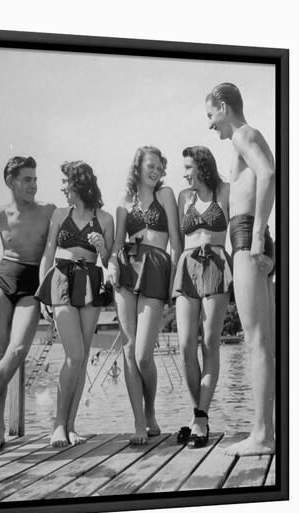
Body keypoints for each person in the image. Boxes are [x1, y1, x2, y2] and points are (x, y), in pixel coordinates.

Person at [206, 82, 275, 456]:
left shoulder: (243, 135)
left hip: (249, 234)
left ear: (223, 106)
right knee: (263, 342)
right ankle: (266, 431)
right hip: (248, 233)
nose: (210, 124)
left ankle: (262, 435)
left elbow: (268, 174)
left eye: (211, 115)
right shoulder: (248, 137)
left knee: (256, 342)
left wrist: (259, 236)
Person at [35, 161, 114, 447]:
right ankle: (57, 424)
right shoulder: (59, 213)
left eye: (66, 182)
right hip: (61, 278)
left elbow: (109, 262)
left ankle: (70, 426)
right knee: (74, 354)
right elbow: (47, 254)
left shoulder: (104, 219)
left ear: (79, 183)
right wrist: (41, 292)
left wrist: (102, 246)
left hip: (91, 282)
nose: (63, 187)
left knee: (81, 360)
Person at [108, 146, 181, 444]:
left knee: (143, 354)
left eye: (159, 166)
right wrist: (112, 264)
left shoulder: (166, 195)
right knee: (128, 350)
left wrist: (174, 285)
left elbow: (176, 241)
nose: (156, 171)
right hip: (127, 271)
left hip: (157, 269)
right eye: (150, 165)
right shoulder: (124, 202)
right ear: (137, 167)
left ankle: (150, 410)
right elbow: (115, 247)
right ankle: (139, 422)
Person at [0, 156, 55, 452]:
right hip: (3, 279)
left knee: (18, 350)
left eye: (35, 179)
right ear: (10, 181)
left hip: (31, 285)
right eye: (27, 179)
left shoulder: (48, 211)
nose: (33, 185)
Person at [173, 146, 232, 448]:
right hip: (186, 266)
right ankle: (201, 416)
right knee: (185, 346)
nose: (184, 173)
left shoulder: (224, 190)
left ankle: (200, 418)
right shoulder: (184, 197)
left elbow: (239, 230)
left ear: (202, 166)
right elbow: (175, 242)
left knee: (209, 344)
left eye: (187, 167)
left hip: (217, 264)